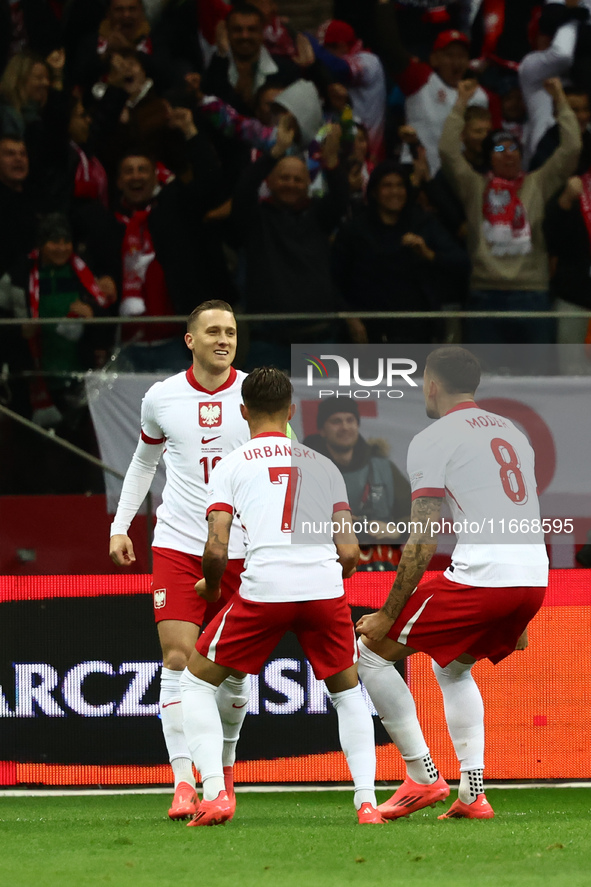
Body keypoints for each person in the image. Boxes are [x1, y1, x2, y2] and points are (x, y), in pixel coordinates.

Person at [179, 366, 385, 826]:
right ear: (292, 411)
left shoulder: (231, 464)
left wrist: (211, 588)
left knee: (193, 682)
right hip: (323, 590)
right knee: (348, 694)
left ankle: (215, 791)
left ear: (243, 412)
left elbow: (216, 547)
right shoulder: (324, 464)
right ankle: (367, 802)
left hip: (266, 588)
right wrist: (329, 575)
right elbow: (350, 550)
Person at [356, 346, 549, 820]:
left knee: (370, 652)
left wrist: (386, 612)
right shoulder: (513, 433)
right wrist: (521, 605)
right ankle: (472, 792)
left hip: (484, 577)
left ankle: (422, 778)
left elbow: (422, 534)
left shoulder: (434, 437)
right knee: (453, 669)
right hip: (532, 576)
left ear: (431, 385)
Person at [109, 300, 251, 821]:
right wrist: (120, 525)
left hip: (243, 548)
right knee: (177, 659)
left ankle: (226, 770)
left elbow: (286, 462)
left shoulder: (255, 394)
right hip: (179, 544)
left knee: (231, 674)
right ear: (189, 339)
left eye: (231, 332)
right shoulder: (162, 397)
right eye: (213, 331)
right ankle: (185, 781)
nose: (224, 339)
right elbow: (144, 461)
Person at [439, 76, 581, 345]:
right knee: (486, 383)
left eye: (514, 148)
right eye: (500, 149)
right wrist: (460, 104)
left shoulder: (537, 183)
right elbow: (447, 152)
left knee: (535, 382)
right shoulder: (474, 186)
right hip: (484, 293)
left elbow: (571, 148)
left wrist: (560, 100)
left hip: (532, 294)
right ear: (490, 157)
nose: (508, 154)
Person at [375, 1, 489, 176]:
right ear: (434, 59)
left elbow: (494, 141)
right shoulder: (421, 79)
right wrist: (384, 6)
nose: (456, 62)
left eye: (461, 56)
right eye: (449, 55)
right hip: (418, 173)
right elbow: (390, 48)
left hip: (458, 181)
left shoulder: (479, 95)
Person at [303, 398, 411, 566]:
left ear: (358, 425)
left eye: (350, 420)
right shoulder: (305, 471)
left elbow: (419, 517)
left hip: (381, 566)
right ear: (322, 430)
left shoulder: (383, 468)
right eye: (336, 421)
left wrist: (396, 529)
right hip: (326, 565)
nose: (345, 427)